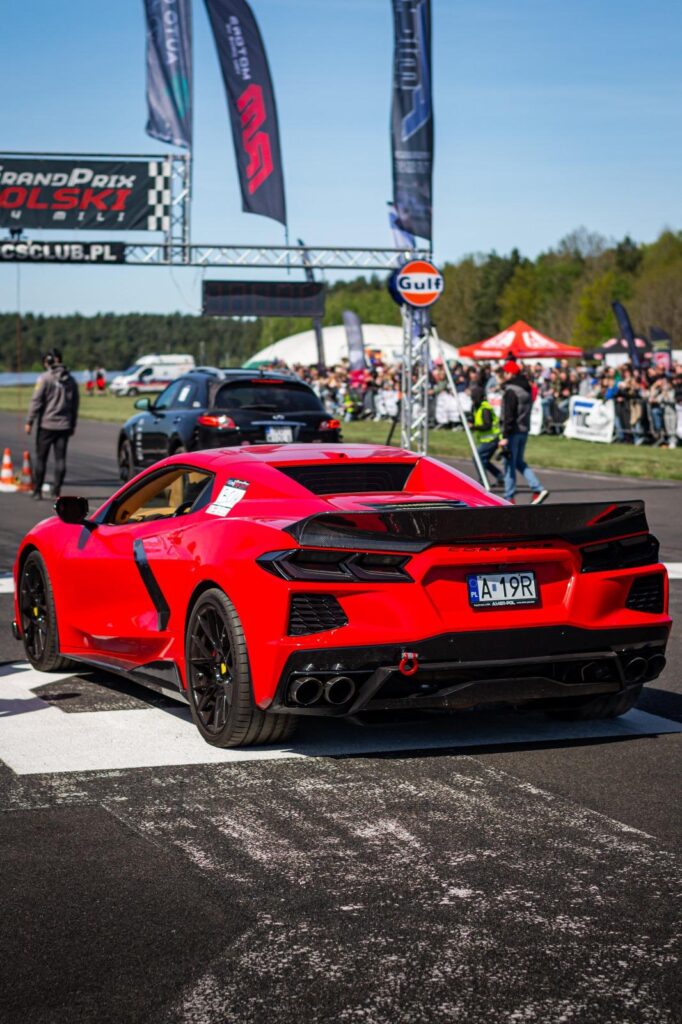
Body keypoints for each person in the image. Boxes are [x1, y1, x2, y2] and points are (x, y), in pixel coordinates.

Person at [25, 348, 79, 501]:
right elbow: (75, 405)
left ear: (48, 361)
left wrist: (29, 420)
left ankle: (37, 491)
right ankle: (57, 491)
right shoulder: (70, 380)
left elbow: (36, 401)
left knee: (41, 458)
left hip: (46, 425)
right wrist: (72, 424)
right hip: (64, 425)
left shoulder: (45, 378)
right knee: (60, 459)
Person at [499, 360, 548, 505]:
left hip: (512, 432)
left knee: (508, 463)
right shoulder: (526, 388)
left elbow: (509, 415)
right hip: (524, 430)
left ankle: (508, 497)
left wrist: (505, 436)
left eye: (505, 373)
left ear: (510, 373)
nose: (503, 376)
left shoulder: (511, 391)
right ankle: (537, 488)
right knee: (519, 461)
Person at [469, 385, 503, 488]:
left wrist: (474, 427)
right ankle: (500, 476)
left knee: (477, 458)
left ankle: (483, 481)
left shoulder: (485, 408)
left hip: (492, 439)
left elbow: (487, 425)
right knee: (484, 460)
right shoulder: (476, 407)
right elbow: (473, 418)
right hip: (486, 439)